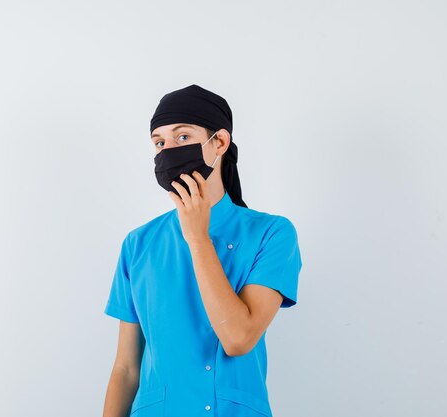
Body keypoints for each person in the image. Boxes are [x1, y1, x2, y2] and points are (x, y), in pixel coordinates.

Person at [102, 84, 303, 417]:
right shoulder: (138, 244)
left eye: (182, 137)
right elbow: (126, 369)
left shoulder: (271, 233)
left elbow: (238, 337)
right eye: (159, 142)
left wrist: (197, 238)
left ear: (219, 142)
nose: (168, 149)